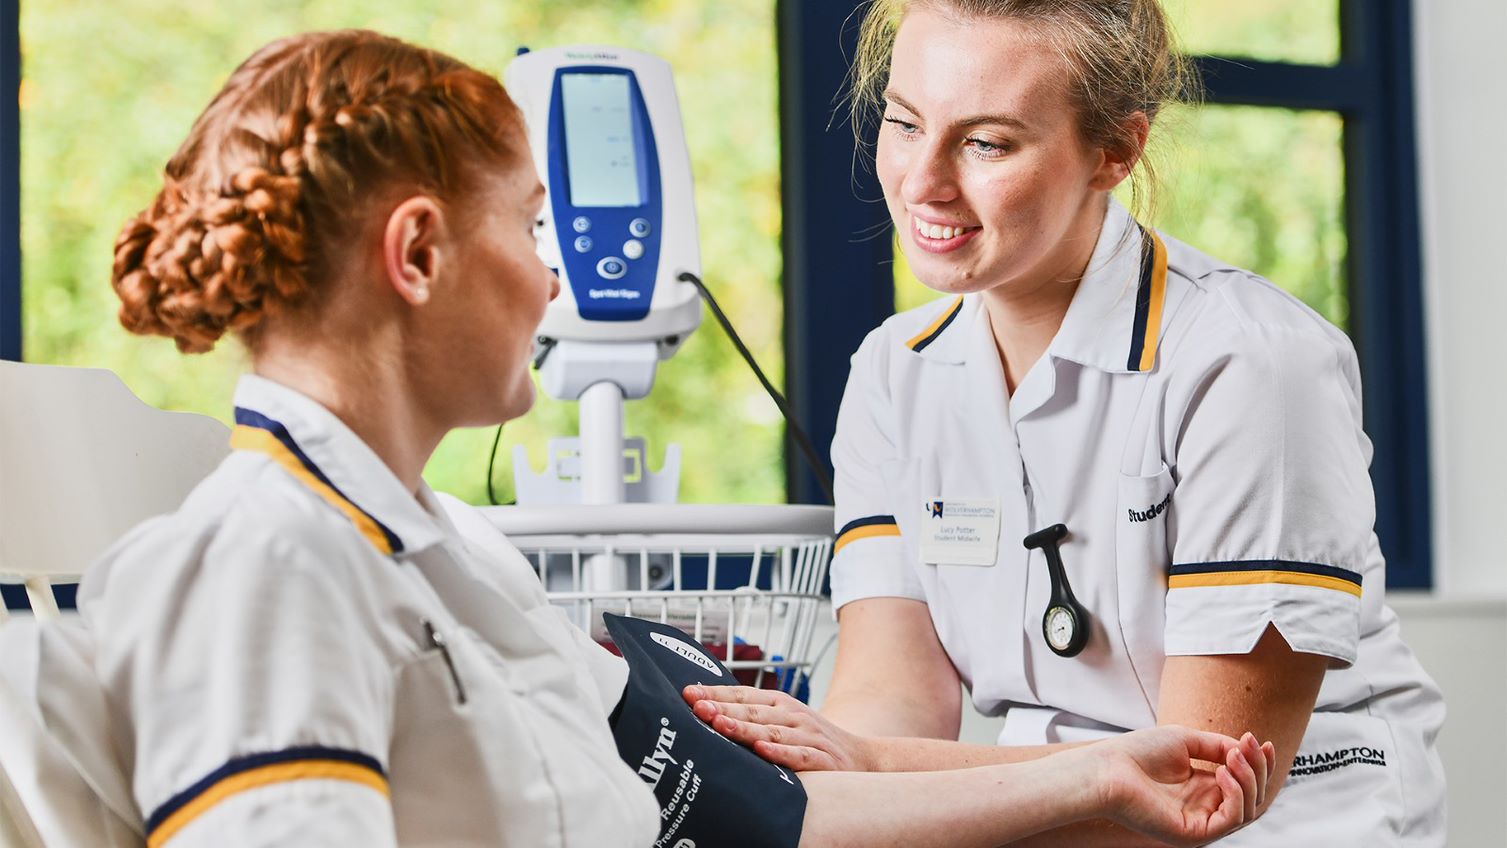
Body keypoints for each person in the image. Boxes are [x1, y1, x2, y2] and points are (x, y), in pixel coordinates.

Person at [72, 27, 1275, 848]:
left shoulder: (459, 555)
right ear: (421, 254)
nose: (554, 282)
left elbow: (767, 810)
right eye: (534, 228)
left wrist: (1108, 767)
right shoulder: (263, 566)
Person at [684, 1, 1447, 845]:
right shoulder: (893, 372)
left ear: (1115, 151)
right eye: (903, 122)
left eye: (986, 143)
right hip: (1035, 819)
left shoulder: (1251, 362)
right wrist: (827, 762)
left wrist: (869, 769)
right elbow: (887, 710)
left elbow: (1194, 786)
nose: (922, 181)